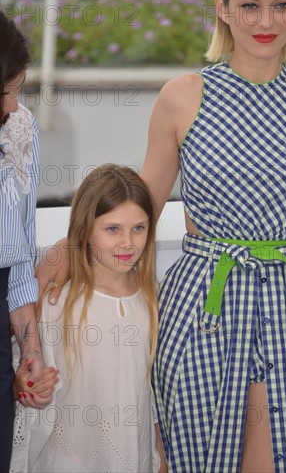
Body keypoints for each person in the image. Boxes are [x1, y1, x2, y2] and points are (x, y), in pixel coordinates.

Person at [36, 0, 286, 473]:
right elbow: (143, 206)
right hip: (204, 309)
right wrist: (71, 249)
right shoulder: (184, 96)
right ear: (223, 8)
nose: (265, 20)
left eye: (281, 4)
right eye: (249, 5)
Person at [11, 164, 166, 472]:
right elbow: (24, 375)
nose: (128, 243)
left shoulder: (154, 300)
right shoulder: (57, 303)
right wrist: (26, 387)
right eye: (112, 229)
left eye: (139, 228)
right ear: (84, 229)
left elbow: (156, 398)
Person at [0, 11, 57, 473]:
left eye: (17, 89)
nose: (14, 105)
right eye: (5, 92)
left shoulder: (19, 131)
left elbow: (19, 263)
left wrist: (30, 352)